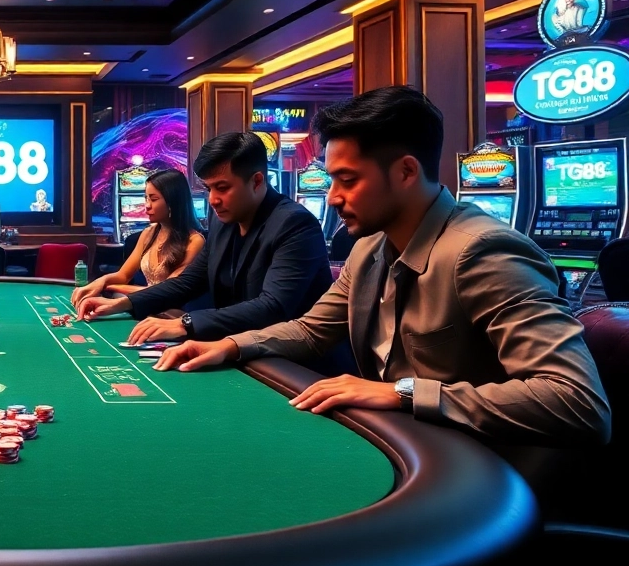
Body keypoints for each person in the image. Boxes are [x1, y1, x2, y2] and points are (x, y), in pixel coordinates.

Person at [153, 87, 610, 446]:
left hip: (480, 475)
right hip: (402, 443)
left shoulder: (484, 250)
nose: (332, 197)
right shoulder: (370, 247)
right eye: (331, 179)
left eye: (347, 180)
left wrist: (405, 392)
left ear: (407, 172)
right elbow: (313, 330)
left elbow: (578, 403)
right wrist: (231, 345)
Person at [75, 132, 331, 344]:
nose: (212, 200)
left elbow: (272, 307)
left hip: (292, 365)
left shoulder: (294, 224)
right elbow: (186, 283)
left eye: (222, 188)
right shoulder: (223, 224)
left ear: (256, 181)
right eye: (208, 189)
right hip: (234, 346)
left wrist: (186, 323)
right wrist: (122, 304)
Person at [73, 170, 205, 305]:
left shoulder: (194, 241)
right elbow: (123, 275)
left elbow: (167, 292)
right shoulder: (149, 233)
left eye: (153, 199)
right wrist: (98, 282)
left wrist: (111, 287)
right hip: (142, 307)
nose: (147, 205)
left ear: (173, 202)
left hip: (171, 315)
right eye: (146, 198)